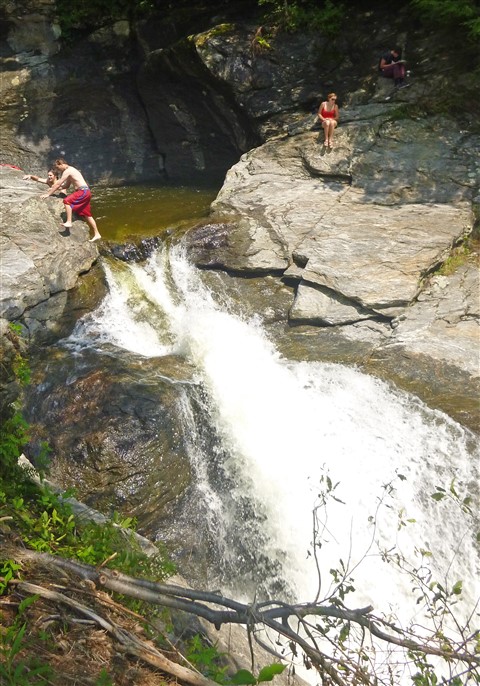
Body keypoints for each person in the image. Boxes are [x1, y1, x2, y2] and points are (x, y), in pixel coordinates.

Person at [41, 158, 101, 242]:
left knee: (67, 201)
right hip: (86, 192)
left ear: (61, 164)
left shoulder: (68, 170)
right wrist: (53, 188)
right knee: (87, 214)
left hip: (82, 191)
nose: (58, 170)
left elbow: (58, 183)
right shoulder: (70, 171)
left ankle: (69, 222)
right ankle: (97, 234)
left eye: (58, 168)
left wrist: (48, 194)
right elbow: (66, 186)